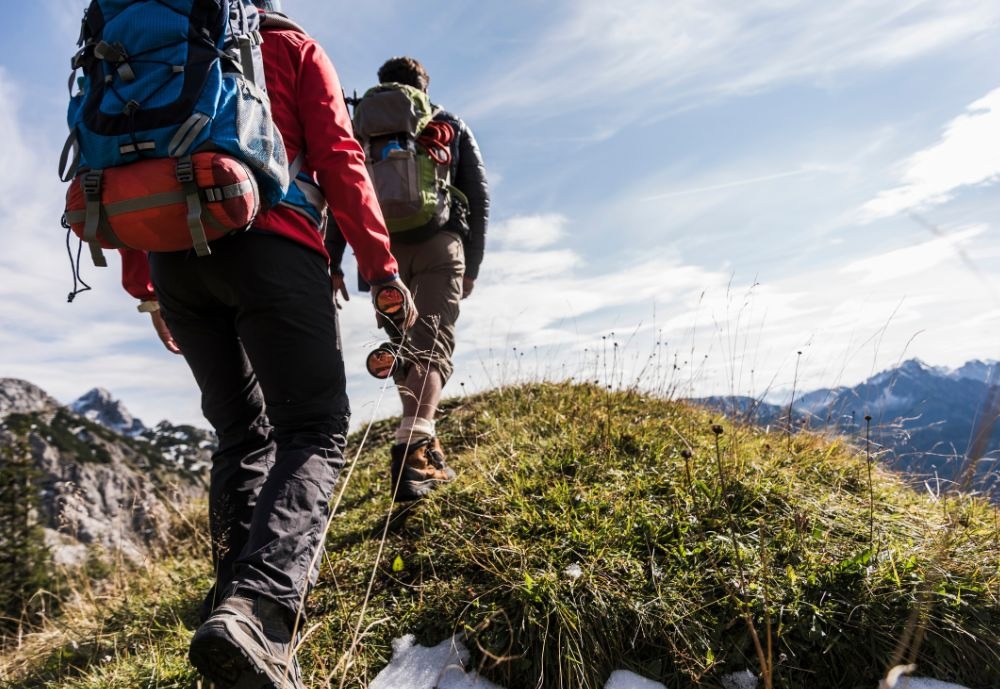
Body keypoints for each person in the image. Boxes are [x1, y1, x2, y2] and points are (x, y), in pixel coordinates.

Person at [120, 2, 414, 687]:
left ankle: (230, 613)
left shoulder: (153, 48)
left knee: (237, 435)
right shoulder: (291, 47)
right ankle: (261, 611)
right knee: (313, 426)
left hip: (174, 260)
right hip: (273, 243)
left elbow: (132, 162)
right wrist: (381, 268)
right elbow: (341, 158)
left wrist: (147, 288)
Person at [331, 56, 489, 502]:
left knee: (406, 348)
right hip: (440, 242)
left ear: (381, 85)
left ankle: (422, 441)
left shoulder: (359, 127)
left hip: (380, 254)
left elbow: (340, 189)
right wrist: (471, 264)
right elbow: (477, 195)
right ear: (423, 85)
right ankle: (413, 453)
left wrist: (333, 260)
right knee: (432, 345)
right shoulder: (446, 122)